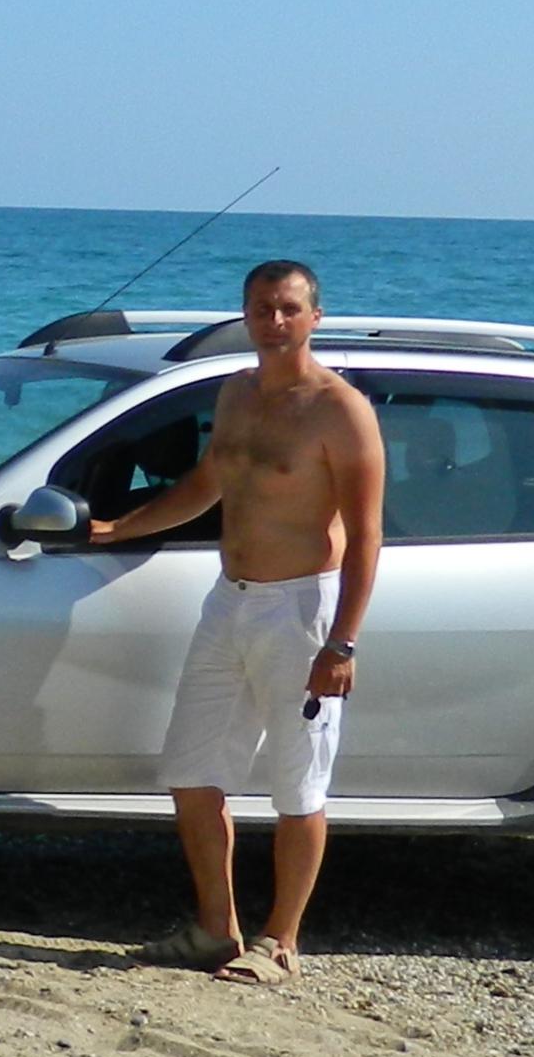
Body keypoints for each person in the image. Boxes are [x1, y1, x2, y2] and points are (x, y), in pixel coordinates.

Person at [84, 257, 384, 982]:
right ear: (244, 315)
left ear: (315, 317)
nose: (274, 321)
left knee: (298, 786)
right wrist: (118, 528)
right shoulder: (235, 393)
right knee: (191, 771)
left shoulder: (339, 409)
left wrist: (342, 641)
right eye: (261, 308)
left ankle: (280, 942)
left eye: (288, 308)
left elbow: (367, 533)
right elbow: (208, 482)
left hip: (300, 609)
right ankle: (216, 929)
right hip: (230, 600)